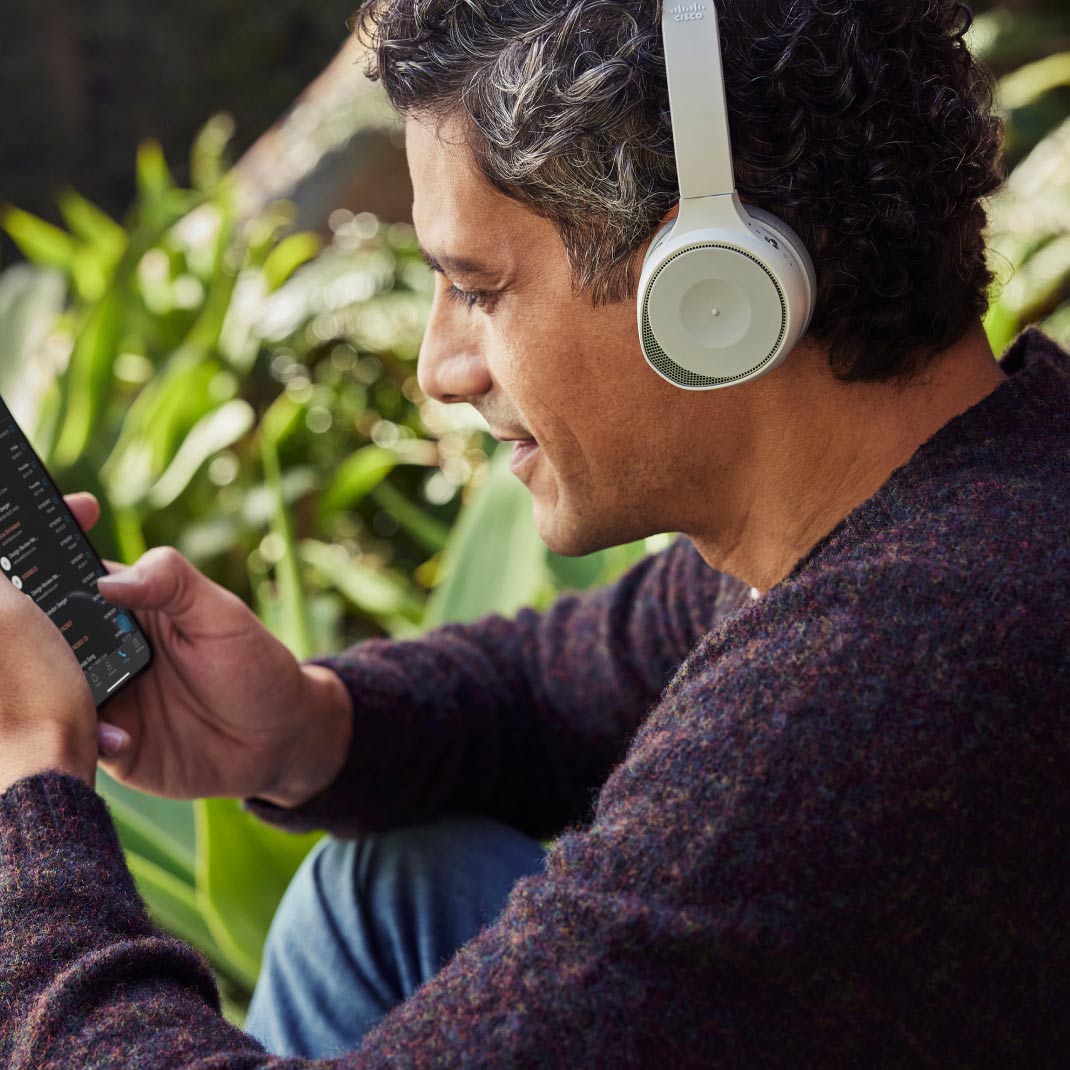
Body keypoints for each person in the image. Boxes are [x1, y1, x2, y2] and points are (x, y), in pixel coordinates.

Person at [1, 0, 1067, 1066]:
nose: (438, 368)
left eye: (476, 287)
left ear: (716, 285)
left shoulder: (889, 684)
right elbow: (559, 685)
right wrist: (306, 727)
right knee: (384, 892)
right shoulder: (956, 499)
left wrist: (27, 787)